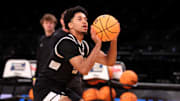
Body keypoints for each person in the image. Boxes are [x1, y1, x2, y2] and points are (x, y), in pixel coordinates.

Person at [34, 5, 119, 101]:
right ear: (70, 25)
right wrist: (98, 44)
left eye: (85, 19)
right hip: (46, 88)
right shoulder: (65, 42)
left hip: (63, 88)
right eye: (79, 19)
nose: (84, 22)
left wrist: (113, 39)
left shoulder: (84, 46)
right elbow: (83, 69)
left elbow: (109, 61)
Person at [34, 13, 57, 85]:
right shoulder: (41, 40)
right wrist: (35, 77)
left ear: (54, 24)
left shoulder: (58, 38)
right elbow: (39, 59)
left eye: (51, 23)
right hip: (42, 76)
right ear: (42, 24)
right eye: (46, 23)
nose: (48, 25)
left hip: (54, 76)